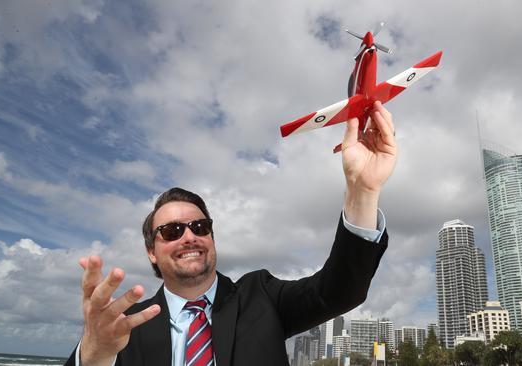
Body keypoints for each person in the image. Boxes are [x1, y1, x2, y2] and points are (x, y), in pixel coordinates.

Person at [65, 101, 397, 366]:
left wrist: (362, 190)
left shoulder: (261, 297)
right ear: (151, 250)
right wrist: (93, 356)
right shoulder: (123, 327)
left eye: (199, 226)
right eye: (171, 231)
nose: (189, 237)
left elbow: (339, 292)